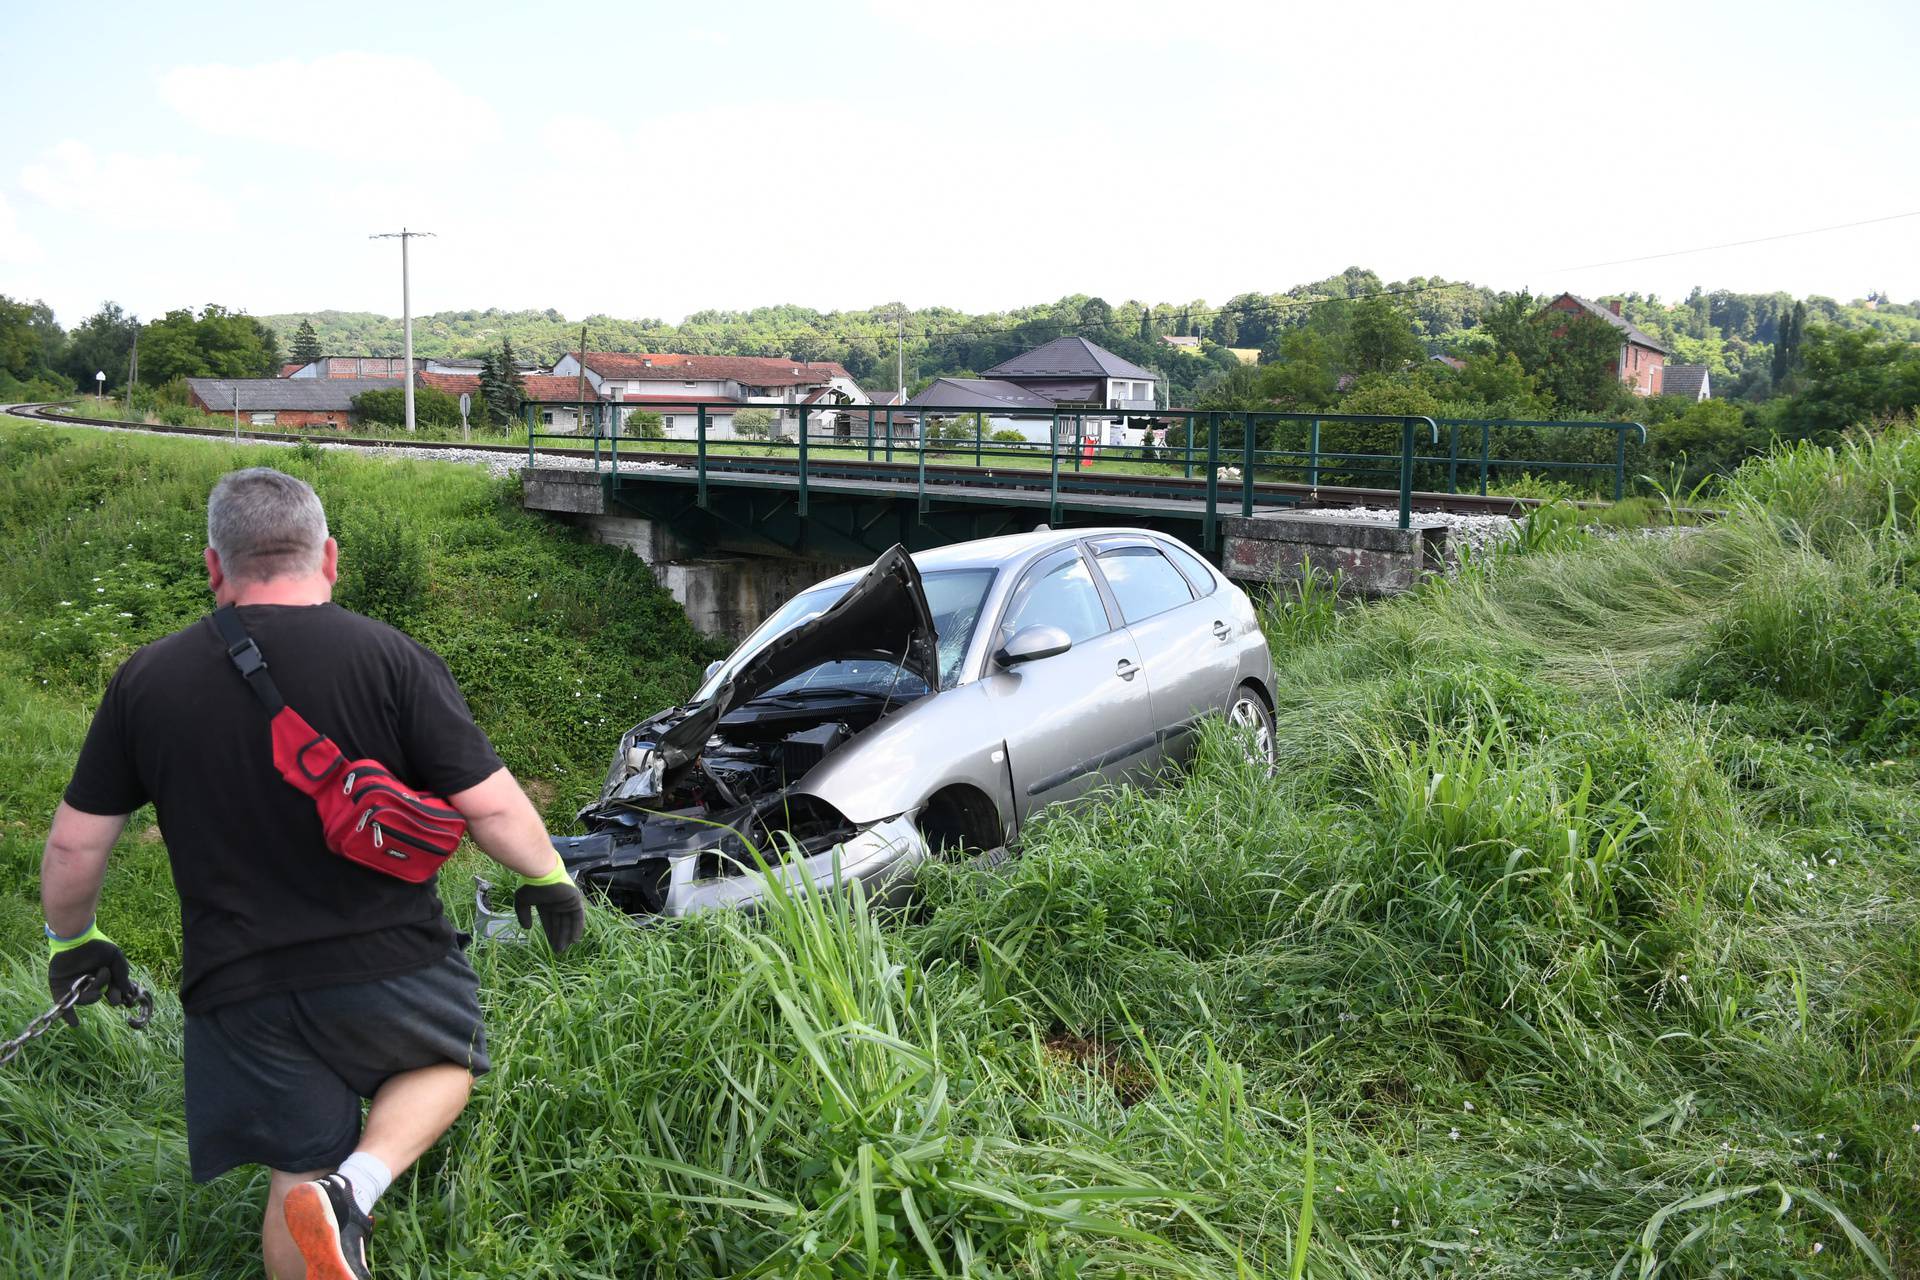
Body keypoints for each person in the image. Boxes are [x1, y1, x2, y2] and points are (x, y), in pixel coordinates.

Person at [39, 466, 587, 1280]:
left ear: (213, 566)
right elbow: (494, 809)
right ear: (328, 556)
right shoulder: (391, 658)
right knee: (445, 1062)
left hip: (237, 981)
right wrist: (549, 878)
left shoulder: (146, 680)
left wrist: (72, 939)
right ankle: (357, 1187)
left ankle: (330, 1197)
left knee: (295, 1168)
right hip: (392, 959)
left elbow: (75, 847)